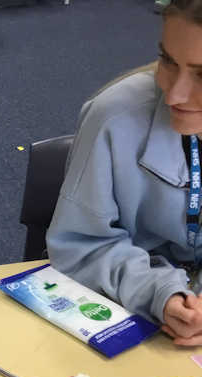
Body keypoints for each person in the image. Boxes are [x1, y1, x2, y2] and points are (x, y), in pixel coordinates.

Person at [46, 0, 202, 347]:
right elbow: (81, 248)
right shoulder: (115, 118)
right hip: (133, 314)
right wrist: (162, 293)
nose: (174, 93)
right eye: (168, 61)